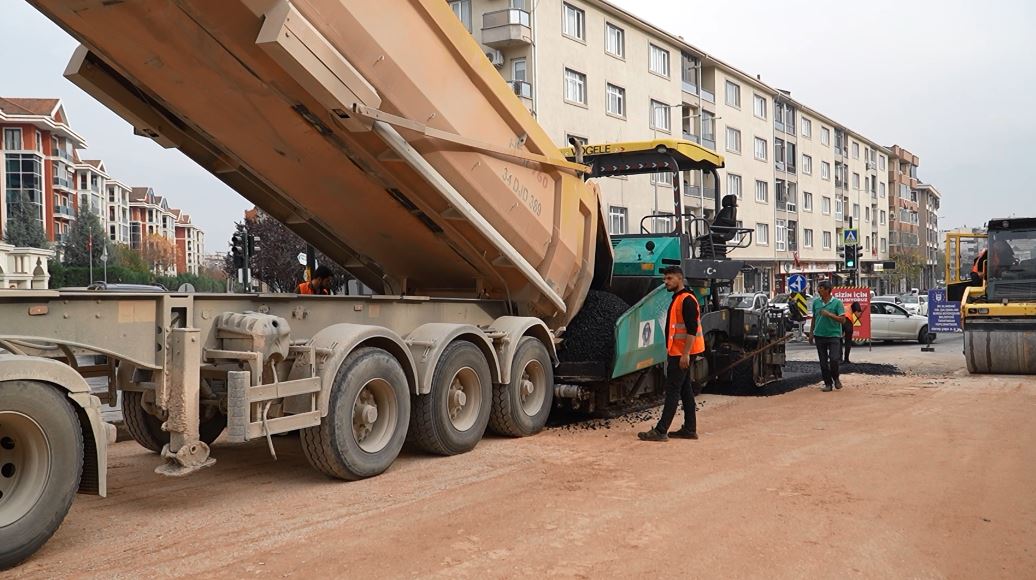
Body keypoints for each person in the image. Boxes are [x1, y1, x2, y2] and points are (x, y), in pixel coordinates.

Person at [639, 266, 704, 442]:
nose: (665, 282)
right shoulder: (679, 298)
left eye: (669, 278)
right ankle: (690, 429)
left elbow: (691, 330)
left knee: (673, 391)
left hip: (681, 354)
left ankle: (661, 430)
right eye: (665, 279)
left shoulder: (687, 300)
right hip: (678, 352)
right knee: (685, 390)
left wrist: (685, 355)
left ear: (679, 278)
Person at [808, 280, 846, 392]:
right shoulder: (816, 303)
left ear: (827, 290)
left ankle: (836, 378)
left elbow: (843, 320)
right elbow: (814, 318)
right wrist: (811, 333)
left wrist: (829, 314)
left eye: (820, 288)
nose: (818, 290)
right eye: (818, 287)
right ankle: (828, 383)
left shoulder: (837, 303)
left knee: (834, 359)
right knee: (823, 362)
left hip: (834, 335)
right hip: (819, 335)